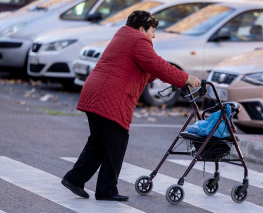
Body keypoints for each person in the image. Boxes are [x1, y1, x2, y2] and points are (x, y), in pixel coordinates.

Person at [61, 10, 201, 202]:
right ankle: (106, 190)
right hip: (111, 97)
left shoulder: (123, 36)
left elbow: (149, 68)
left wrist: (165, 74)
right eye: (152, 31)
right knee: (115, 144)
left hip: (95, 93)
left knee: (98, 143)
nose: (154, 35)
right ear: (142, 28)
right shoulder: (138, 40)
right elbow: (157, 65)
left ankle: (74, 179)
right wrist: (186, 78)